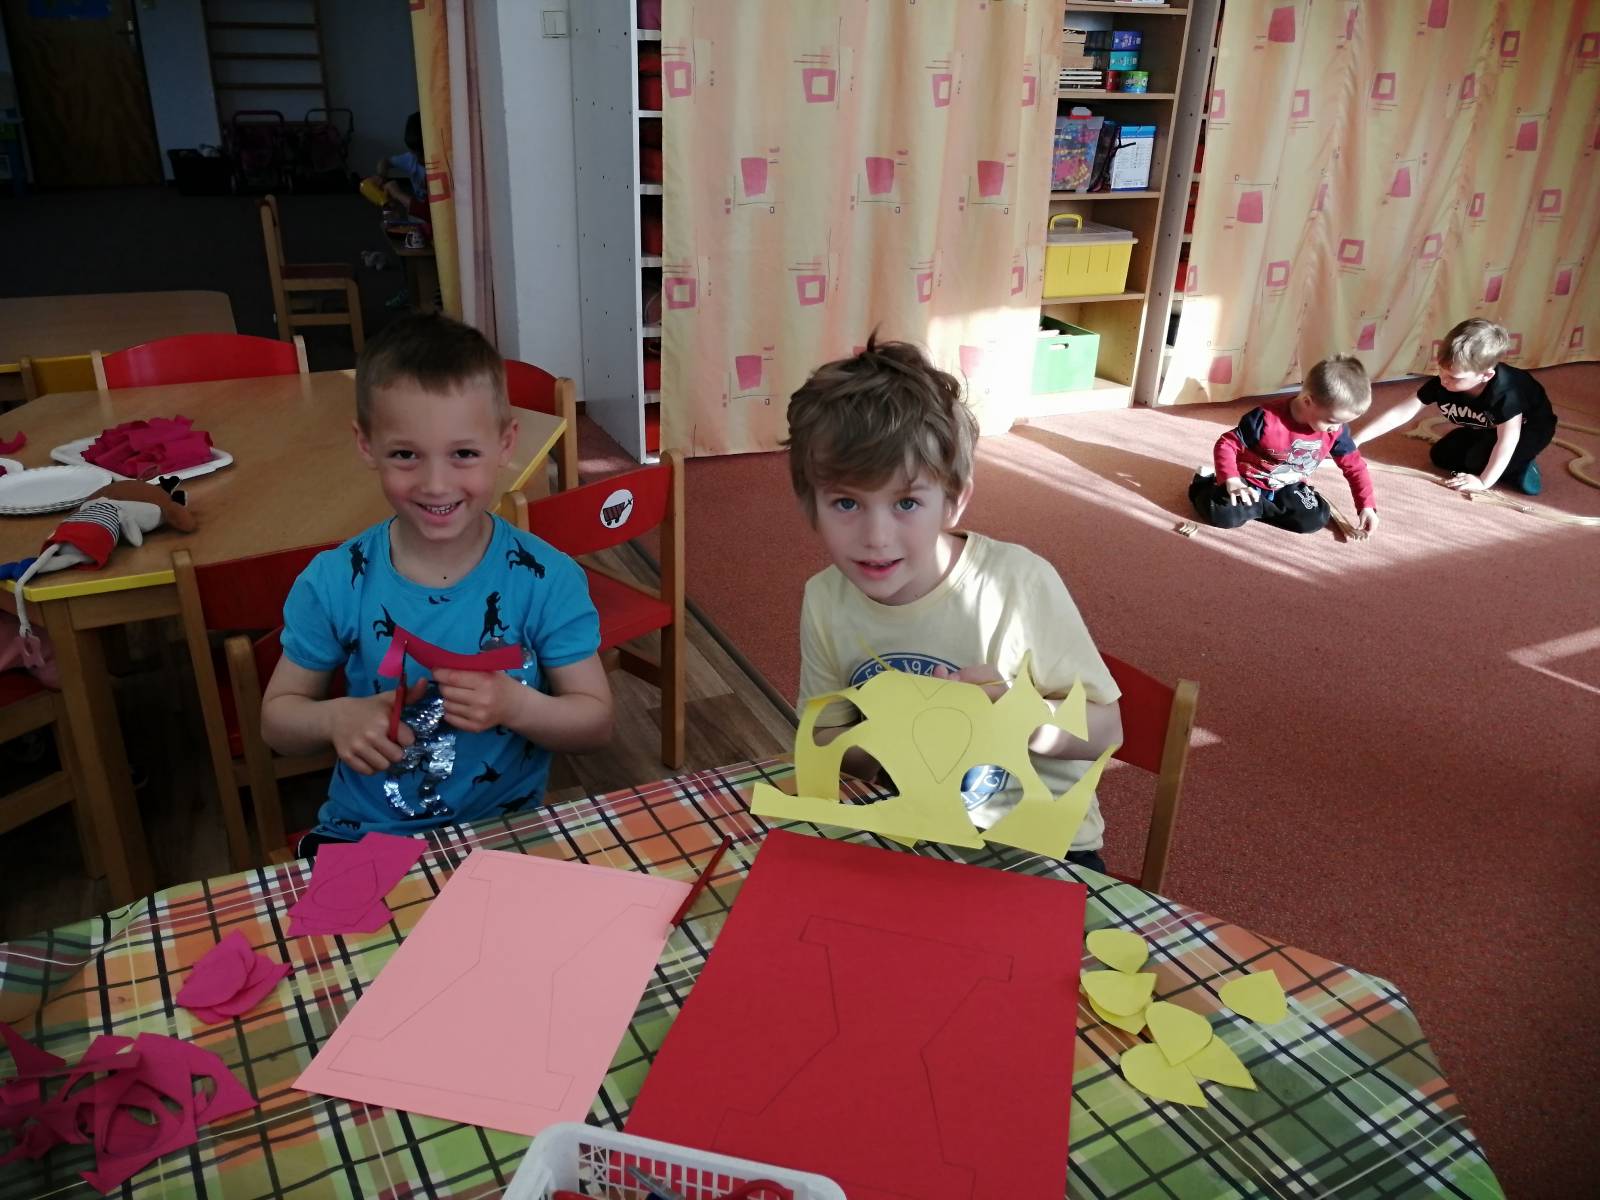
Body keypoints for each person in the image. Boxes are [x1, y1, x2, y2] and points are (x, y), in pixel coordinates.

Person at [261, 314, 612, 858]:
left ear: (506, 444)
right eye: (406, 454)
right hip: (365, 837)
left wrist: (515, 705)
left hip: (505, 836)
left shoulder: (548, 578)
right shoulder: (333, 581)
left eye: (463, 453)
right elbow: (277, 722)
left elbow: (596, 722)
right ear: (366, 445)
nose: (436, 483)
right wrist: (334, 718)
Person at [784, 335, 1123, 872]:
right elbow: (823, 737)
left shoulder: (1019, 584)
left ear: (954, 500)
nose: (875, 537)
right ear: (810, 506)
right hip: (906, 825)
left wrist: (1018, 716)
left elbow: (1107, 729)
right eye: (846, 503)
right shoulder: (825, 599)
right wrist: (892, 739)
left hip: (1041, 846)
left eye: (906, 503)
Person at [1353, 318, 1554, 495]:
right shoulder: (1444, 381)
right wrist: (1356, 440)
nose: (1443, 380)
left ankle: (1523, 465)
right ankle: (1492, 454)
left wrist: (1483, 482)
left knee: (1477, 463)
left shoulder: (1506, 393)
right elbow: (1402, 412)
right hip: (1487, 427)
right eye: (1440, 370)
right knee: (1441, 455)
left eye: (1454, 377)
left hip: (1529, 430)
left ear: (1485, 375)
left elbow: (1508, 440)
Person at [1189, 354, 1378, 537]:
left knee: (1315, 518)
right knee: (1221, 513)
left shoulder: (1336, 431)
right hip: (1247, 482)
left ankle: (1256, 507)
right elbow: (1227, 444)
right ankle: (1204, 483)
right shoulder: (1265, 419)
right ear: (1307, 402)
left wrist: (1367, 506)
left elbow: (1355, 467)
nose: (1336, 428)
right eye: (1332, 421)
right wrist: (1231, 479)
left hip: (1286, 486)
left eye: (1342, 423)